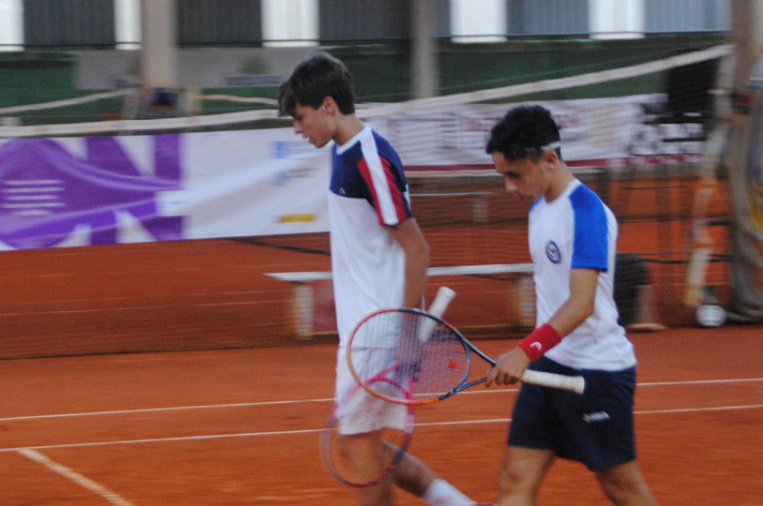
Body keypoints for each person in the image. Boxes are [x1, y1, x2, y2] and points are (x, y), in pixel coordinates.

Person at [279, 53, 482, 506]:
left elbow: (417, 247)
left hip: (378, 332)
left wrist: (407, 332)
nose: (297, 128)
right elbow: (371, 239)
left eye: (300, 116)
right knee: (366, 445)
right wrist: (339, 284)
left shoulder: (368, 159)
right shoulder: (345, 150)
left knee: (360, 446)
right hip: (366, 324)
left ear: (328, 106)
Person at [483, 105, 657, 506]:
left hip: (596, 374)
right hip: (550, 367)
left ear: (549, 159)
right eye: (502, 176)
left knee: (622, 489)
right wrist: (537, 355)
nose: (509, 187)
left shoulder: (587, 212)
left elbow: (582, 303)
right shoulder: (539, 208)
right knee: (514, 480)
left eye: (514, 174)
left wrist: (525, 351)